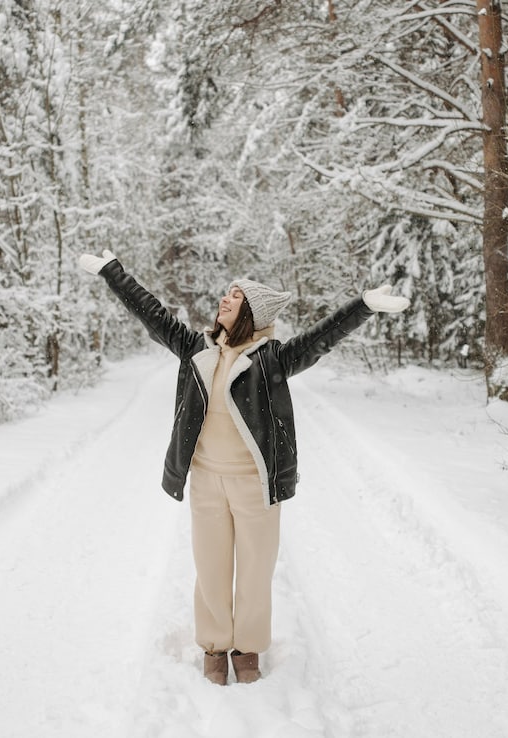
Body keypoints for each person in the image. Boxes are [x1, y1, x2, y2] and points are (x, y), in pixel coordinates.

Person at [78, 249, 408, 685]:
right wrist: (112, 272)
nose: (225, 299)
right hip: (207, 481)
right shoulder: (196, 348)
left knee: (255, 572)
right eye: (227, 293)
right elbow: (151, 313)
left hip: (255, 484)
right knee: (211, 568)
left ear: (252, 312)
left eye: (236, 296)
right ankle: (215, 647)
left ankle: (247, 647)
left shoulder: (272, 359)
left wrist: (362, 306)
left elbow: (322, 337)